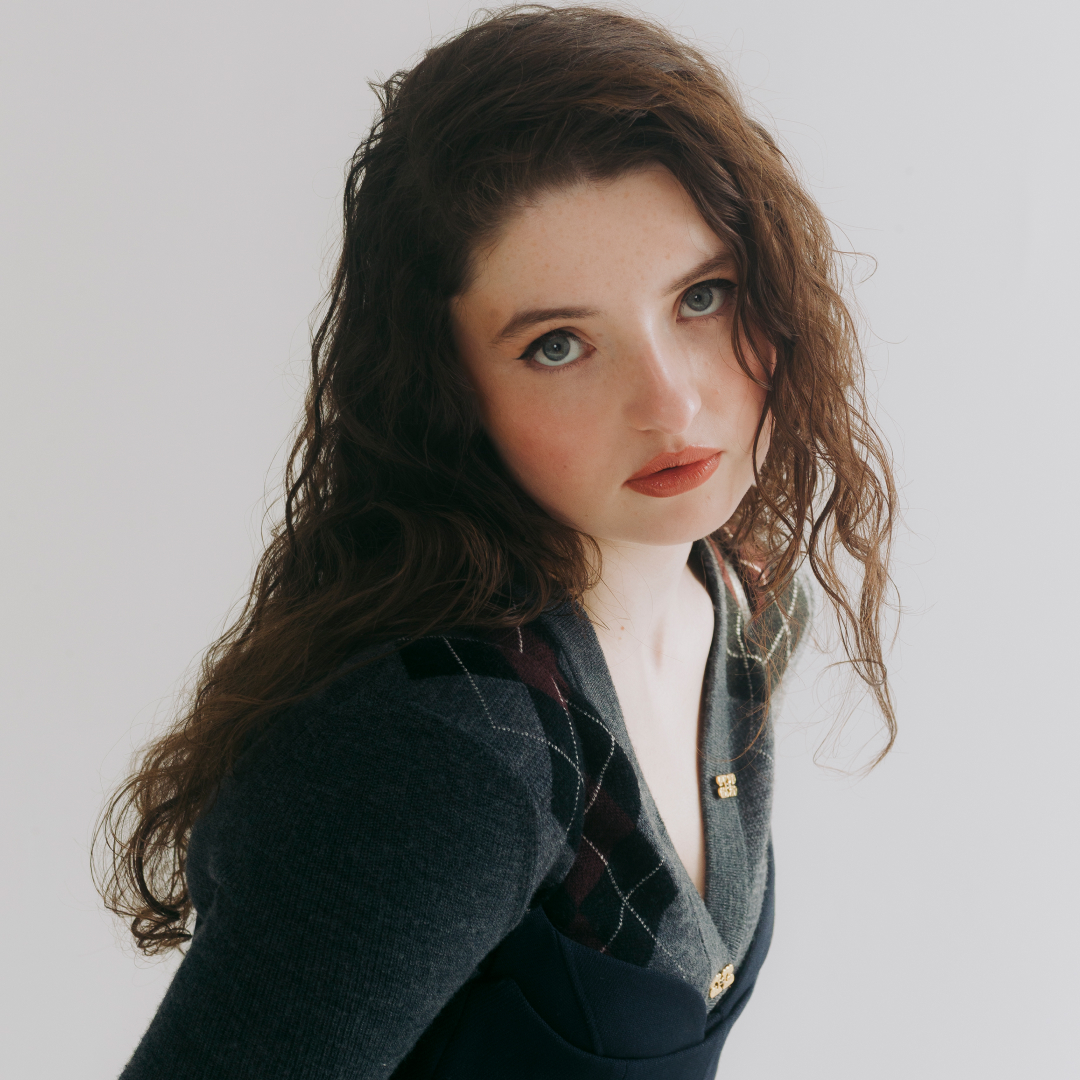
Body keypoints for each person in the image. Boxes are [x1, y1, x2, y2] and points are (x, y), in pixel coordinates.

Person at [96, 6, 896, 1077]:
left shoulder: (739, 595)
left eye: (702, 297)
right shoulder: (444, 751)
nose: (671, 405)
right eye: (558, 344)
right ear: (449, 391)